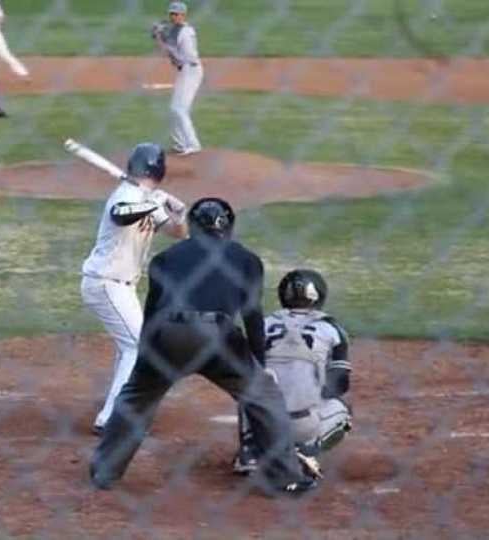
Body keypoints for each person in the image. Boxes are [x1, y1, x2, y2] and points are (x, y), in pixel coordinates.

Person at [89, 198, 317, 497]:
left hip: (169, 334)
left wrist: (145, 363)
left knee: (135, 398)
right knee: (263, 397)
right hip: (219, 336)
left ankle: (105, 472)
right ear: (230, 228)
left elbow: (153, 313)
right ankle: (286, 478)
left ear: (193, 227)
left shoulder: (166, 258)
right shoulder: (247, 260)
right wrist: (260, 367)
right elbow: (252, 317)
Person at [81, 143, 189, 436]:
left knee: (128, 345)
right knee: (137, 347)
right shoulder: (127, 195)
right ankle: (112, 417)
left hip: (122, 286)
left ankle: (120, 403)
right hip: (105, 282)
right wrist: (153, 203)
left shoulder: (145, 197)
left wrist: (178, 213)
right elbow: (121, 214)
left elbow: (179, 233)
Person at [232, 269, 353, 481]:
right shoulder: (331, 328)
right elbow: (339, 384)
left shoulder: (263, 324)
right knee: (344, 411)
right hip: (303, 422)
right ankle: (304, 450)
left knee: (250, 384)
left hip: (261, 420)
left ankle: (250, 452)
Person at [151, 2, 203, 156]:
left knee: (180, 109)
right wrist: (159, 38)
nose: (173, 16)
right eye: (171, 14)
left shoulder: (185, 32)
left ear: (183, 15)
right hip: (185, 71)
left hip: (191, 71)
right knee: (174, 108)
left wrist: (160, 35)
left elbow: (177, 53)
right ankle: (180, 144)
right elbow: (167, 50)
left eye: (176, 14)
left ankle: (193, 144)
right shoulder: (176, 30)